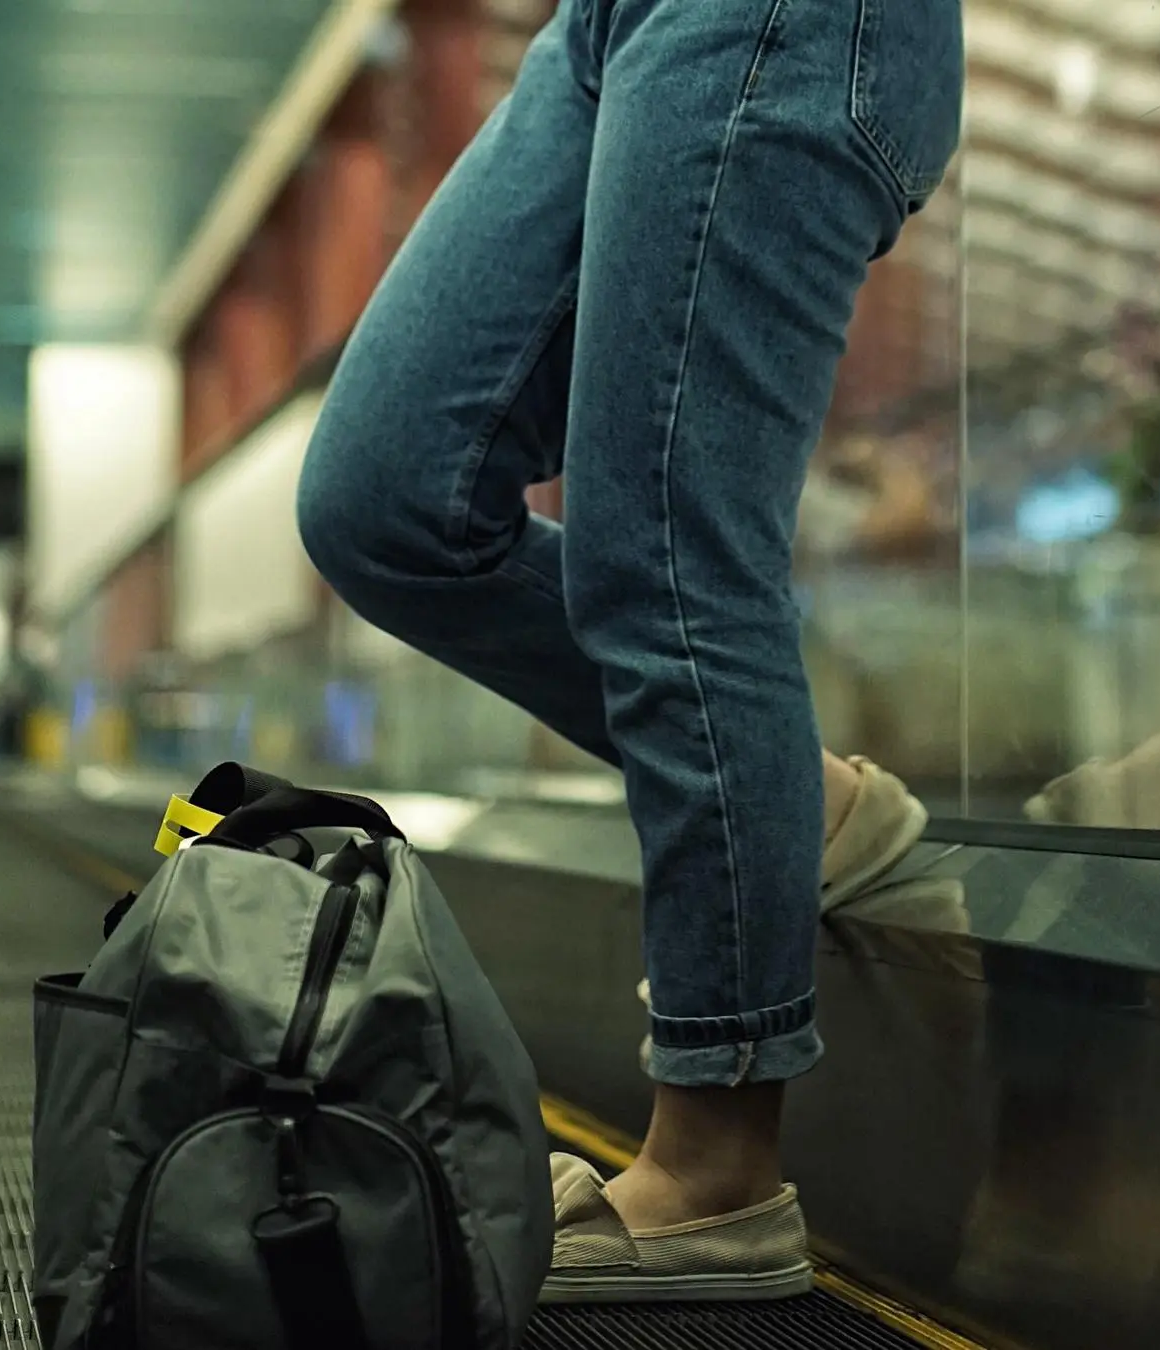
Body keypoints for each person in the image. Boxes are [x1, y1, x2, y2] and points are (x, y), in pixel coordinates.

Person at [296, 0, 963, 1304]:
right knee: (384, 497)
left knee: (663, 544)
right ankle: (797, 806)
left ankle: (718, 1162)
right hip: (608, 23)